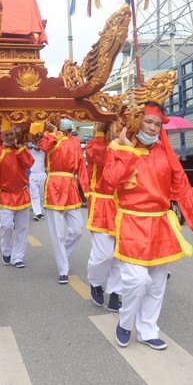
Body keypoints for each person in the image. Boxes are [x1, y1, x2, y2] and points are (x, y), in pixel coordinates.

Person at [103, 103, 193, 351]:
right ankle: (125, 322)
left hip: (161, 221)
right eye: (147, 122)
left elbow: (182, 187)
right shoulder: (118, 148)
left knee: (157, 282)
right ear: (136, 122)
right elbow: (111, 181)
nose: (152, 128)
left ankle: (148, 329)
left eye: (157, 124)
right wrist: (128, 152)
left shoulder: (165, 152)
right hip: (132, 220)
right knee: (137, 280)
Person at [37, 117, 89, 283]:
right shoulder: (50, 137)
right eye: (62, 119)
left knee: (77, 229)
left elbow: (81, 165)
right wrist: (53, 132)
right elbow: (43, 147)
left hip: (70, 185)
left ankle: (63, 256)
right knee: (58, 233)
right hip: (54, 185)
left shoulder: (75, 141)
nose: (65, 122)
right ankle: (63, 269)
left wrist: (86, 191)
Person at [85, 122, 122, 312]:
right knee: (104, 254)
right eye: (115, 126)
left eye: (121, 126)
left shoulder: (128, 145)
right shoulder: (94, 144)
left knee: (119, 255)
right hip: (102, 203)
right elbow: (100, 158)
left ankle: (115, 292)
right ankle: (96, 282)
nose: (118, 130)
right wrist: (100, 134)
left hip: (123, 205)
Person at [0, 120, 34, 268]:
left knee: (22, 228)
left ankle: (18, 257)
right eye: (6, 135)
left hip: (22, 193)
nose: (9, 137)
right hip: (5, 195)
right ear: (1, 137)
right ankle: (7, 251)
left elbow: (29, 164)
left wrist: (22, 149)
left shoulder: (21, 150)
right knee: (7, 226)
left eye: (11, 134)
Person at [27, 139, 46, 221]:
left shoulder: (44, 152)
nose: (36, 144)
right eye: (35, 142)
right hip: (33, 175)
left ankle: (41, 211)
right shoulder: (29, 152)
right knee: (34, 195)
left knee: (42, 195)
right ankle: (37, 213)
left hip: (43, 175)